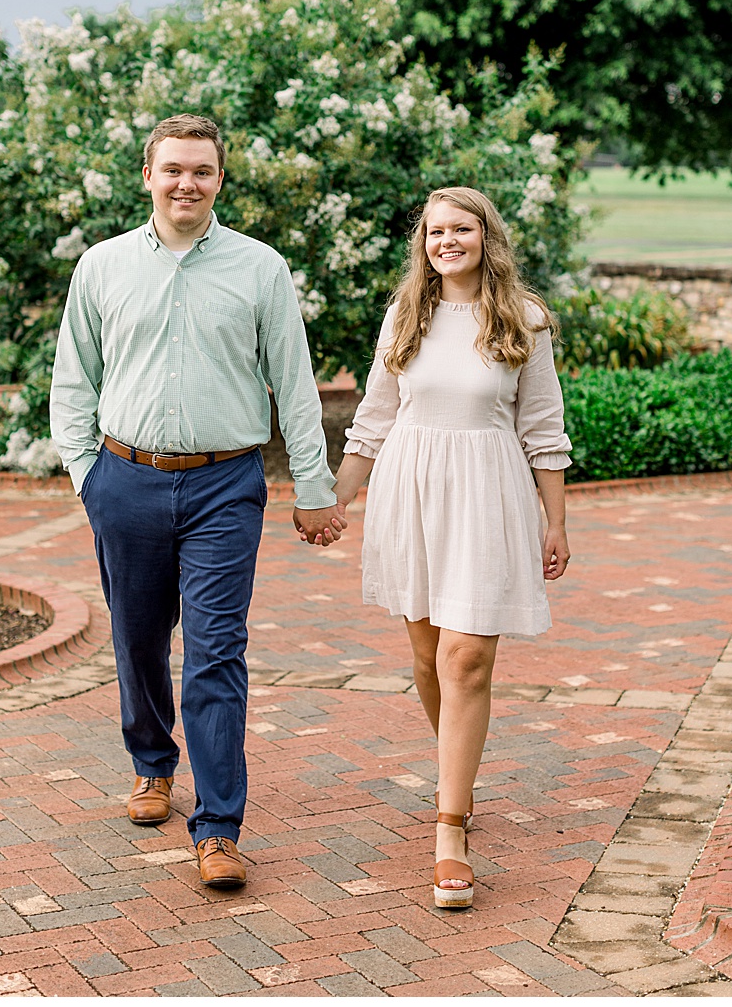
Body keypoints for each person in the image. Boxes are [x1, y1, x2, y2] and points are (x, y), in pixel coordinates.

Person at [49, 112, 343, 891]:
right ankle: (151, 763)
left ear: (220, 180)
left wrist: (313, 489)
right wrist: (88, 475)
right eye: (173, 169)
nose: (187, 183)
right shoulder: (102, 267)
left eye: (202, 171)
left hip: (225, 485)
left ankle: (218, 827)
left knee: (216, 652)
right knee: (138, 639)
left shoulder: (260, 269)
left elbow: (297, 386)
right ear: (148, 175)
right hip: (126, 479)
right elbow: (73, 379)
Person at [327, 186, 571, 909]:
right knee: (428, 657)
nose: (447, 241)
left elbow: (545, 429)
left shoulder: (525, 319)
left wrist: (555, 522)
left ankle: (450, 827)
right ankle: (455, 776)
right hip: (411, 493)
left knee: (467, 657)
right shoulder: (407, 314)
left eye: (460, 229)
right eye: (436, 232)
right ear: (423, 242)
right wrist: (332, 499)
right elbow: (374, 417)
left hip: (489, 493)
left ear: (484, 236)